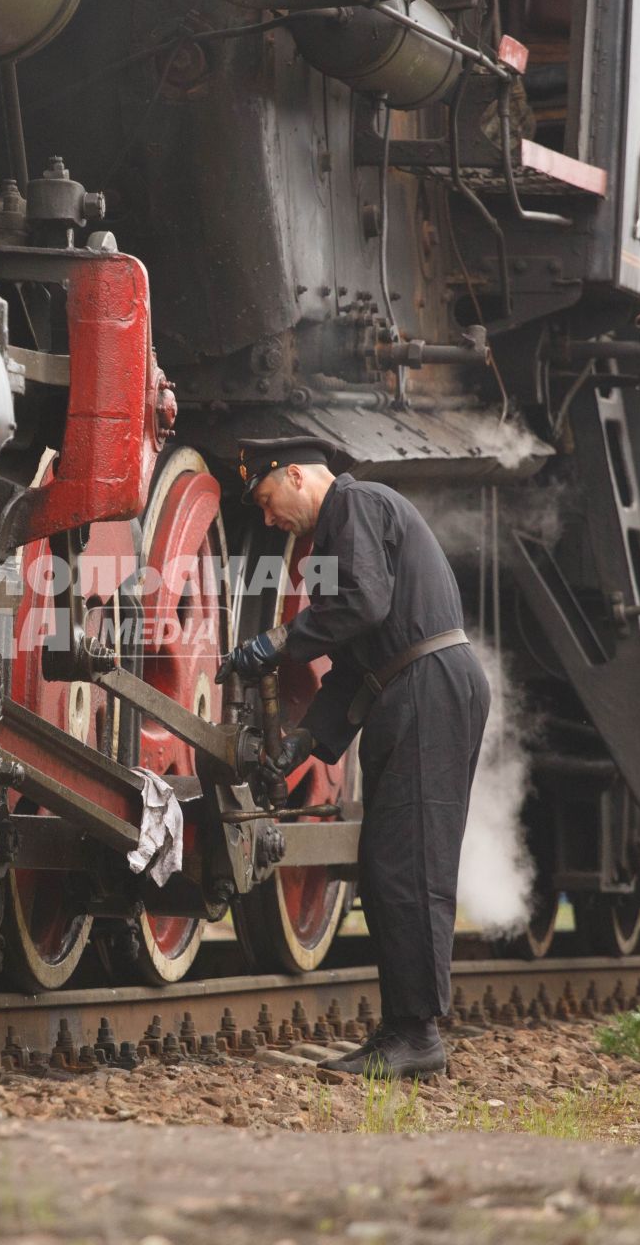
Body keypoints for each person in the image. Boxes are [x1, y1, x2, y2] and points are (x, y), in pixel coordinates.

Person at [220, 437, 490, 1079]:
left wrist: (277, 642)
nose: (267, 518)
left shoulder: (357, 503)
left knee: (409, 858)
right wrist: (304, 744)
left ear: (294, 476)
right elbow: (351, 658)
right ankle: (402, 1029)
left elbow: (360, 605)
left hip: (427, 688)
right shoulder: (334, 537)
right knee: (386, 861)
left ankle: (417, 1037)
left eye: (265, 501)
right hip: (407, 689)